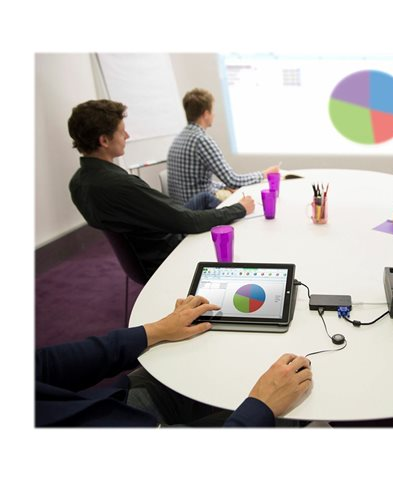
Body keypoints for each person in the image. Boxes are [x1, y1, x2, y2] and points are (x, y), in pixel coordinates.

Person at [36, 295, 313, 427]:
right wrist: (260, 408)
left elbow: (45, 365)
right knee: (292, 417)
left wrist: (156, 330)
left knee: (184, 362)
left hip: (106, 405)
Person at [68, 99, 255, 280]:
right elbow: (189, 222)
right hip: (166, 255)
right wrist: (239, 208)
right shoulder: (122, 186)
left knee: (205, 198)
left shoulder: (77, 183)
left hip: (141, 252)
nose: (127, 136)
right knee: (236, 232)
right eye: (122, 132)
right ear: (104, 140)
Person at [167, 88, 280, 205]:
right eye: (212, 111)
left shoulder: (179, 139)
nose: (214, 114)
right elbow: (233, 181)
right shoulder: (201, 140)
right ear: (206, 114)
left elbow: (198, 183)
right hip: (199, 210)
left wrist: (225, 187)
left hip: (181, 209)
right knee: (252, 204)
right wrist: (264, 174)